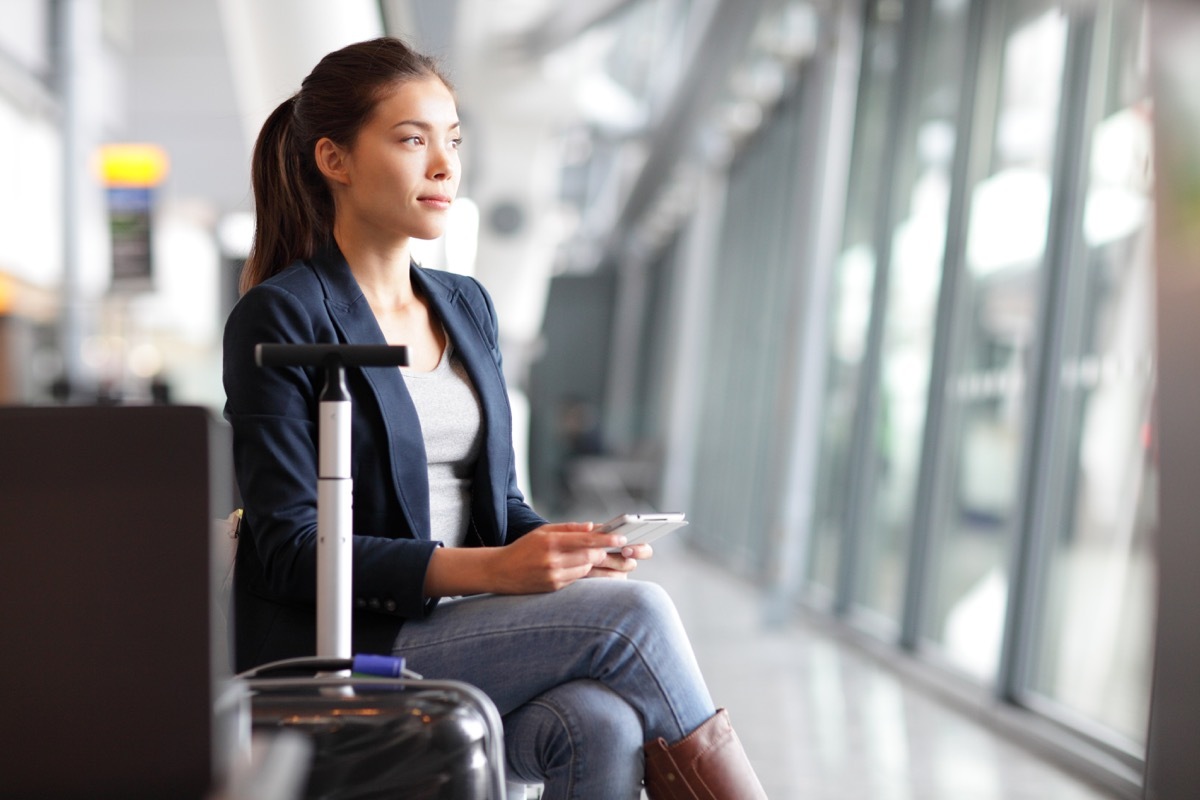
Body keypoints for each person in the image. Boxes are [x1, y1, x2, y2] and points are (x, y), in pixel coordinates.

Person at [222, 36, 766, 799]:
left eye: (453, 140)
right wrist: (492, 570)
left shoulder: (464, 305)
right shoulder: (281, 316)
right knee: (633, 617)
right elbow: (289, 549)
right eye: (412, 140)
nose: (444, 165)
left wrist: (560, 547)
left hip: (464, 624)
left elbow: (499, 504)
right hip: (349, 643)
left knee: (599, 721)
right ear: (334, 160)